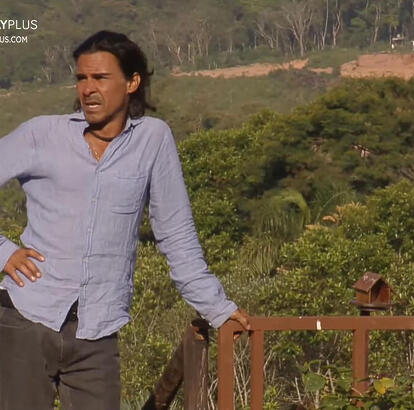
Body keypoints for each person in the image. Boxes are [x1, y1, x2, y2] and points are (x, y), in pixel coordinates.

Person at [0, 30, 250, 410]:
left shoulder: (153, 140)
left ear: (132, 82)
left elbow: (176, 233)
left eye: (100, 78)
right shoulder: (41, 134)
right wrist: (4, 253)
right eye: (82, 78)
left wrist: (217, 307)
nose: (88, 89)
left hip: (97, 331)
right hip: (26, 318)